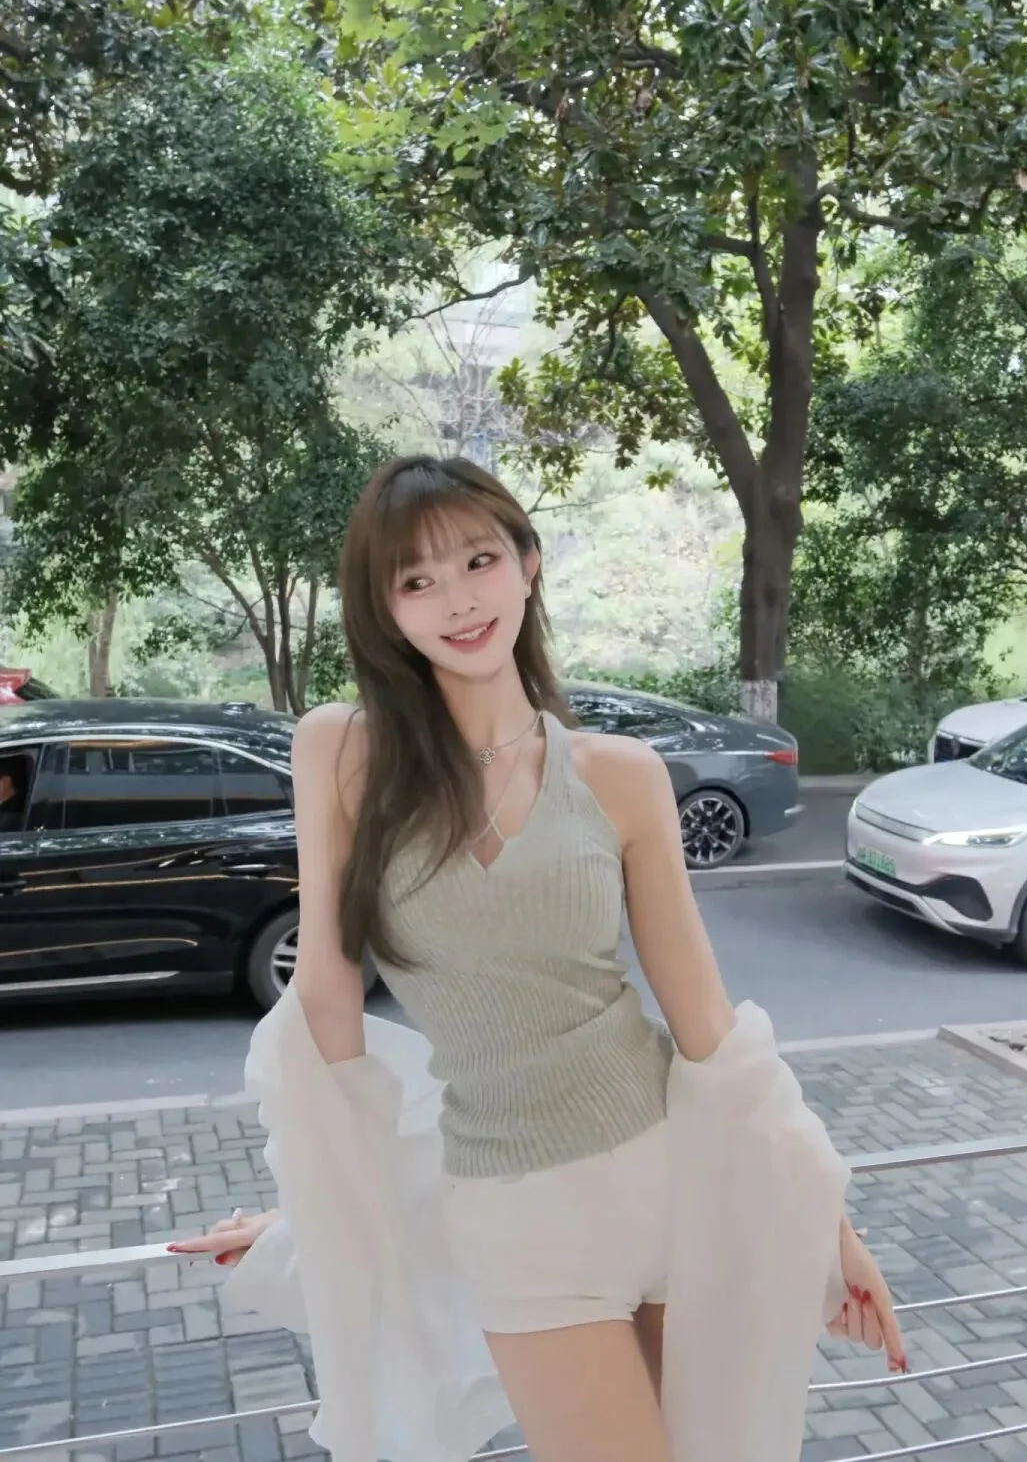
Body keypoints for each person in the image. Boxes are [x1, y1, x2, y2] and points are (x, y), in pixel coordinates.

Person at [172, 455, 904, 1462]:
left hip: (674, 1179)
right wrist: (318, 1212)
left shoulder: (621, 774)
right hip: (519, 1222)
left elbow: (705, 1024)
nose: (458, 600)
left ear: (528, 564)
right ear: (384, 608)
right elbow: (327, 1007)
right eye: (417, 579)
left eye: (479, 561)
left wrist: (824, 1217)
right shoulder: (341, 753)